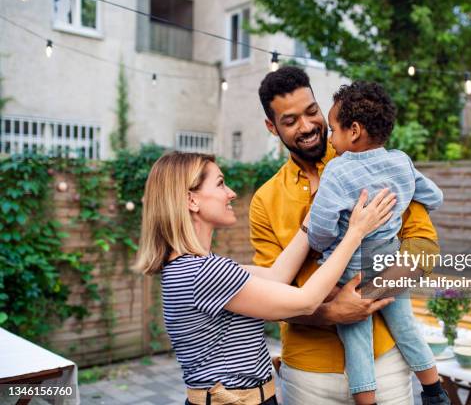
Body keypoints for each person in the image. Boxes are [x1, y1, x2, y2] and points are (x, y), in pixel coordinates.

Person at [133, 151, 396, 405]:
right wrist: (356, 232)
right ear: (192, 200)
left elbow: (276, 276)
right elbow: (306, 300)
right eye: (221, 184)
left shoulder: (192, 268)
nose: (231, 193)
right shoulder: (204, 273)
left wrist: (314, 217)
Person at [251, 66, 444, 404]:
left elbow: (425, 246)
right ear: (272, 127)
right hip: (307, 372)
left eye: (312, 112)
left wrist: (371, 288)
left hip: (385, 361)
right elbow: (270, 296)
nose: (309, 126)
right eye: (291, 120)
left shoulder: (369, 162)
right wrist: (332, 312)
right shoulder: (264, 201)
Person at [308, 81, 448, 405]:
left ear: (354, 131)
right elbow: (435, 197)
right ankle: (434, 390)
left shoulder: (337, 171)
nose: (330, 138)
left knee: (357, 338)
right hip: (389, 262)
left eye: (333, 130)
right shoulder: (401, 161)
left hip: (352, 273)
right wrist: (401, 198)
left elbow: (319, 231)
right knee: (406, 326)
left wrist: (323, 242)